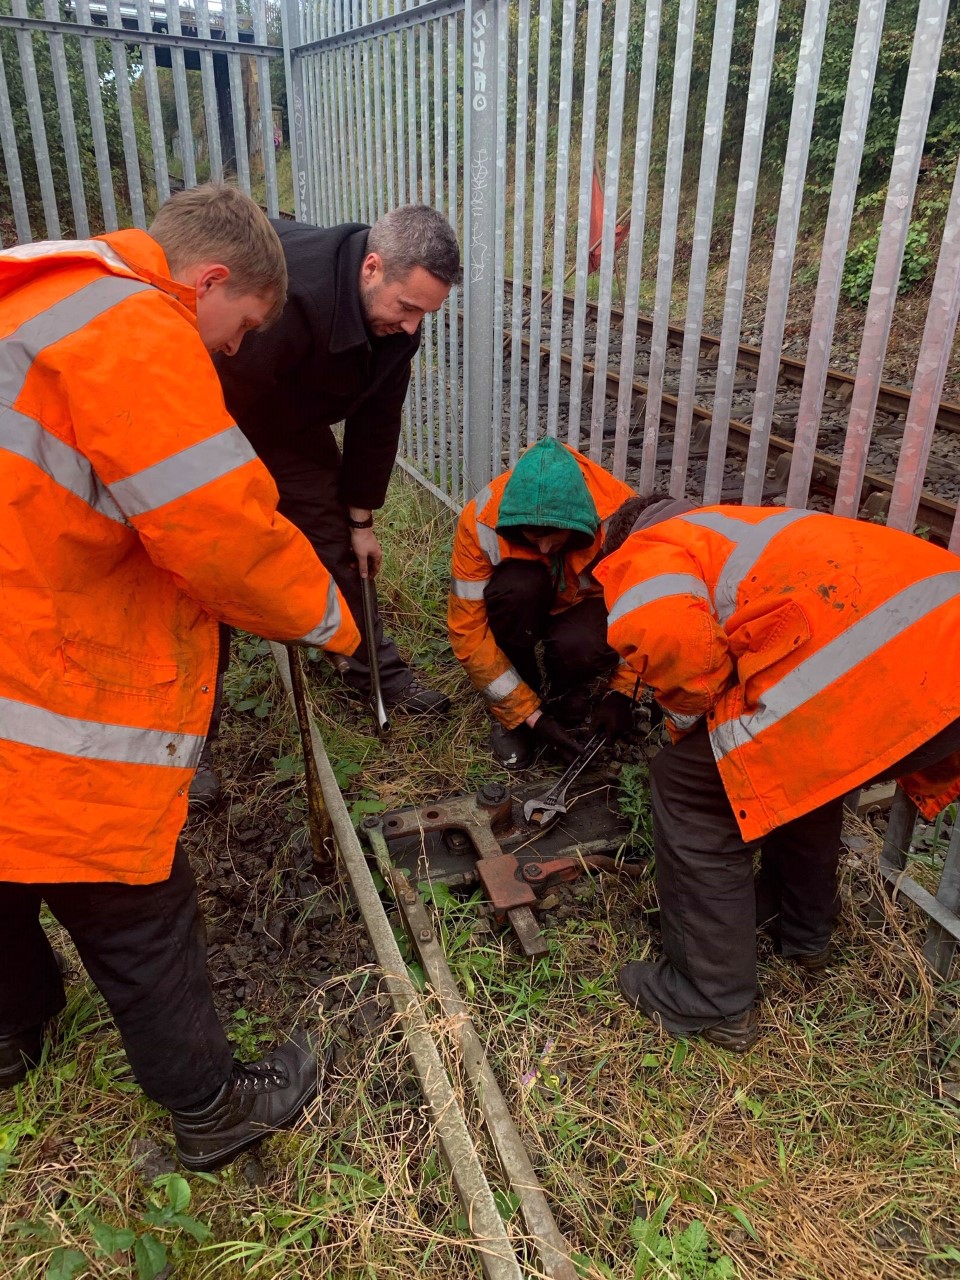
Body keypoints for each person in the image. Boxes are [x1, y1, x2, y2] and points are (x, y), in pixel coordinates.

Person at [0, 183, 362, 1172]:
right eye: (238, 326)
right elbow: (222, 534)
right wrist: (328, 618)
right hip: (36, 673)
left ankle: (11, 1030)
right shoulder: (135, 331)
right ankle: (211, 1110)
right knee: (133, 897)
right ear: (207, 280)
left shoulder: (35, 300)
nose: (235, 351)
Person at [595, 495, 960, 1051]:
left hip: (892, 664)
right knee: (800, 768)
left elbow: (680, 649)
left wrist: (685, 724)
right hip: (939, 663)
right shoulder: (739, 525)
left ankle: (709, 999)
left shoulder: (650, 545)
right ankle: (803, 932)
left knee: (689, 787)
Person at [213, 203, 461, 735]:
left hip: (290, 420)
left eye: (425, 314)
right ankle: (194, 729)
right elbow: (214, 398)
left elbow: (377, 418)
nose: (413, 326)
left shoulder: (395, 326)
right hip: (217, 411)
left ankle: (372, 670)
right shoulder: (290, 296)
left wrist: (361, 521)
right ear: (371, 267)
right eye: (408, 306)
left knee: (337, 544)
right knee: (208, 560)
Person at [448, 435, 641, 769]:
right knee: (517, 589)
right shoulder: (481, 522)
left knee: (579, 645)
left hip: (584, 606)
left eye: (556, 536)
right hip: (523, 601)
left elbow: (641, 611)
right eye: (533, 537)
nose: (544, 549)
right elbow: (468, 629)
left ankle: (566, 693)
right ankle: (521, 696)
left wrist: (622, 694)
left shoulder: (620, 520)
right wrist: (529, 717)